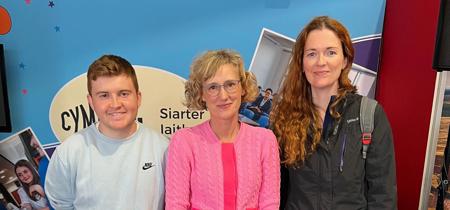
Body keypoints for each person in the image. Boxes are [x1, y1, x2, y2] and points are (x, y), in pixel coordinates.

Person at [270, 16, 397, 210]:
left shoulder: (370, 116)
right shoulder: (283, 118)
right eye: (311, 54)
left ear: (345, 60)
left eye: (330, 52)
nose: (321, 62)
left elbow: (383, 196)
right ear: (302, 63)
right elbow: (276, 192)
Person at [45, 55, 169, 210]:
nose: (115, 104)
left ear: (138, 98)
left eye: (123, 94)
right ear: (91, 101)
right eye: (104, 95)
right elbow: (61, 204)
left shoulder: (163, 148)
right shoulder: (69, 152)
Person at [165, 49, 280, 209]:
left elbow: (270, 204)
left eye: (230, 84)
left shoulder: (265, 140)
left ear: (243, 88)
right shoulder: (184, 141)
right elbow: (176, 205)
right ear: (202, 94)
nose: (223, 96)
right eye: (213, 87)